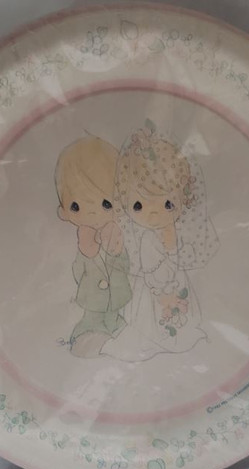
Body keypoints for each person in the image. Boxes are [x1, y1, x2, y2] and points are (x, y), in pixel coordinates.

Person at [101, 121, 219, 361]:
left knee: (181, 323)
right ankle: (162, 339)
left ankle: (177, 338)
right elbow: (151, 272)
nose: (154, 214)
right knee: (156, 325)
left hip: (174, 282)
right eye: (138, 205)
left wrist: (173, 246)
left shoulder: (173, 230)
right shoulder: (147, 238)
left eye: (168, 204)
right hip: (156, 289)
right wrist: (162, 294)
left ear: (183, 199)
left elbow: (179, 258)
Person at [55, 136, 132, 358]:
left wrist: (115, 250)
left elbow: (126, 266)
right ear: (64, 211)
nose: (92, 213)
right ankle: (87, 336)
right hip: (92, 302)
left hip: (116, 298)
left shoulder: (117, 234)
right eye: (76, 206)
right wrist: (87, 252)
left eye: (106, 204)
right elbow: (78, 272)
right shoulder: (82, 240)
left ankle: (114, 331)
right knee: (92, 325)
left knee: (116, 321)